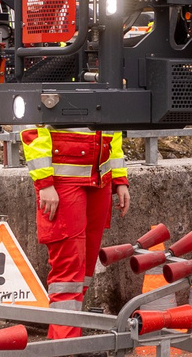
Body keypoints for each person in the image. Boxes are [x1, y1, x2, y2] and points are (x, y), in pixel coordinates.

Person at [21, 121, 132, 344]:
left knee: (85, 267)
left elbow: (114, 128)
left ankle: (69, 338)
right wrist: (44, 183)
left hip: (99, 181)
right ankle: (64, 345)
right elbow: (34, 125)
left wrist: (119, 179)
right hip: (62, 183)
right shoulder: (54, 83)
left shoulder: (108, 85)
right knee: (68, 267)